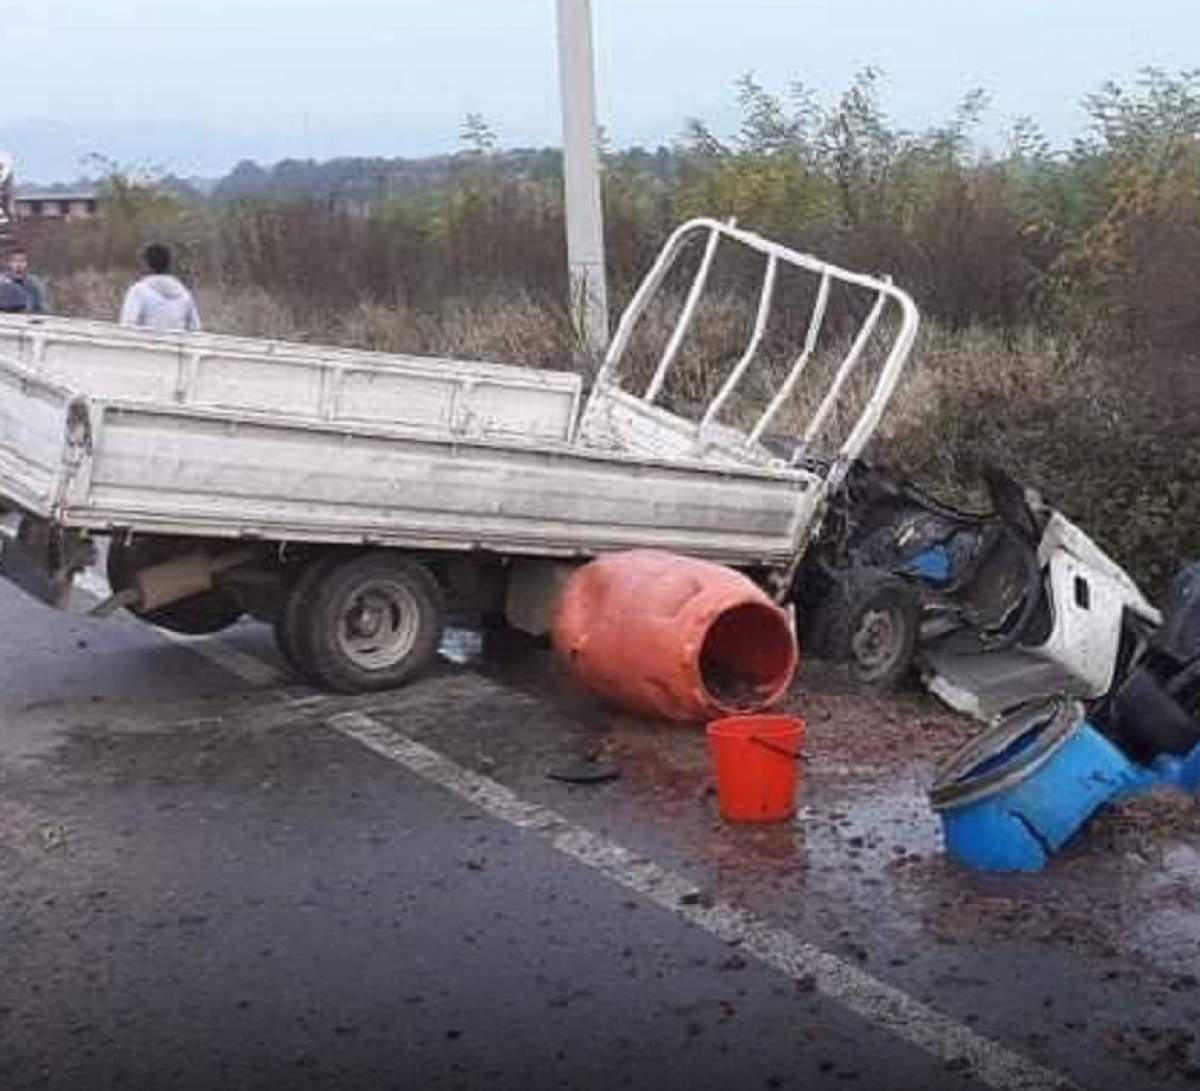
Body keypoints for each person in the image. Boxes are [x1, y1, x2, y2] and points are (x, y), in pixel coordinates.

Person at [119, 243, 201, 331]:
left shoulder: (138, 291)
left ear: (146, 264)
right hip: (175, 344)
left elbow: (127, 326)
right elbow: (195, 329)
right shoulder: (185, 295)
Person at [0, 247, 45, 313]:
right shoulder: (2, 283)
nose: (18, 265)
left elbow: (40, 308)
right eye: (15, 261)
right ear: (9, 263)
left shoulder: (34, 284)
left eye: (22, 261)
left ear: (26, 263)